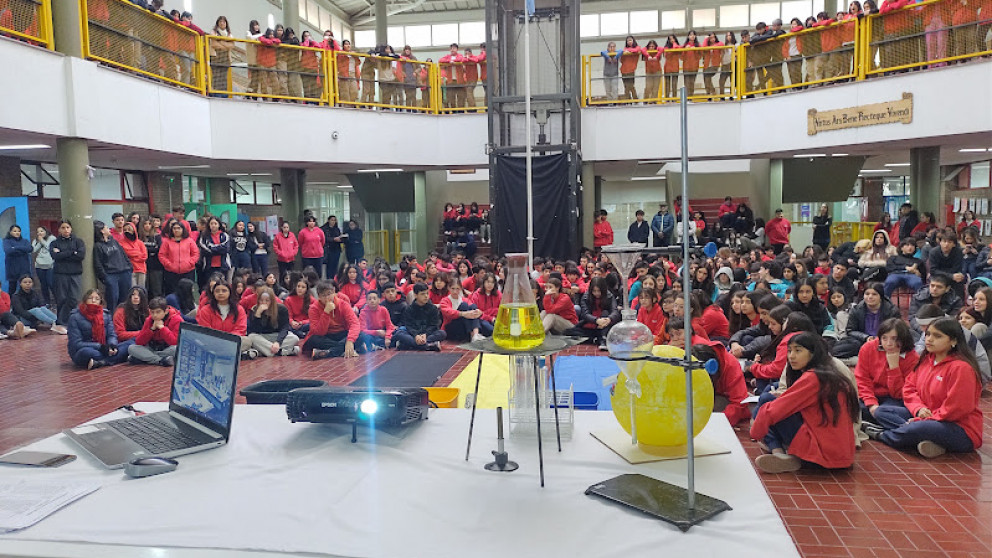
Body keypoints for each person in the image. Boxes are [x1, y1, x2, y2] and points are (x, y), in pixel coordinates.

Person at [871, 317, 983, 458]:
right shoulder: (926, 360)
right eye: (928, 334)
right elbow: (909, 388)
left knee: (920, 427)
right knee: (882, 411)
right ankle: (928, 441)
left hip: (958, 427)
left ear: (953, 341)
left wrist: (924, 420)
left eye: (937, 336)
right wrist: (918, 410)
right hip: (927, 417)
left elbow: (957, 408)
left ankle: (882, 435)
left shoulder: (962, 368)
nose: (929, 339)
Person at [750, 332, 858, 473]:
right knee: (771, 403)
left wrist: (755, 432)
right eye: (789, 351)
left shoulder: (813, 377)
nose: (791, 356)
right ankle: (781, 453)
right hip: (841, 455)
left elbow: (773, 411)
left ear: (813, 353)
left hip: (822, 455)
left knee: (767, 404)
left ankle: (778, 451)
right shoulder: (829, 373)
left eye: (798, 350)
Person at [855, 318, 918, 425]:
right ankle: (887, 425)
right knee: (849, 406)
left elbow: (900, 394)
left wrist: (894, 367)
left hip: (894, 399)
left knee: (883, 412)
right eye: (884, 338)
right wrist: (871, 404)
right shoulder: (868, 348)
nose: (889, 343)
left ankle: (904, 429)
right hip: (870, 395)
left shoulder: (912, 357)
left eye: (894, 339)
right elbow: (862, 379)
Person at [832, 282, 902, 359]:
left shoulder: (891, 310)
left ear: (881, 297)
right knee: (836, 350)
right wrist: (866, 337)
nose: (870, 297)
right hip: (862, 341)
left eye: (874, 294)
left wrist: (880, 339)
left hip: (884, 342)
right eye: (867, 294)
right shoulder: (857, 309)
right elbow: (850, 330)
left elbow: (896, 331)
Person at [692, 340, 750, 426]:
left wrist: (716, 423)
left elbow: (740, 403)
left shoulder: (731, 366)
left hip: (722, 399)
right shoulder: (690, 361)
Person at [302, 281, 365, 359]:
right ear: (319, 297)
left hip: (341, 334)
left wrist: (350, 341)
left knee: (361, 335)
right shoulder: (313, 308)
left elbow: (354, 323)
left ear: (334, 292)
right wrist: (326, 313)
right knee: (313, 340)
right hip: (325, 335)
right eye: (323, 296)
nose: (327, 298)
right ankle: (344, 350)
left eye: (329, 294)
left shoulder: (343, 304)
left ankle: (329, 352)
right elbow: (318, 332)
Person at [67, 289, 127, 369]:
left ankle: (100, 362)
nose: (93, 300)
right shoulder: (75, 317)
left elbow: (112, 334)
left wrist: (112, 345)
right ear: (85, 300)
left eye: (97, 298)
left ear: (100, 301)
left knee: (130, 344)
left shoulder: (106, 315)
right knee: (86, 353)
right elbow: (76, 343)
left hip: (106, 348)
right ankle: (116, 358)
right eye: (90, 298)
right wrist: (100, 347)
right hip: (85, 349)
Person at [196, 279, 254, 359]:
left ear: (230, 292)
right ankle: (233, 354)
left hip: (231, 341)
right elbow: (206, 330)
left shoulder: (239, 309)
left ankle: (219, 354)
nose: (220, 293)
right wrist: (219, 340)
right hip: (212, 342)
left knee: (246, 341)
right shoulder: (205, 310)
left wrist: (227, 339)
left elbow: (241, 329)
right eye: (217, 291)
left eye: (224, 291)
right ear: (213, 293)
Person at [568, 277, 620, 349]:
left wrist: (609, 319)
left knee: (605, 312)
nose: (596, 293)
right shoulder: (586, 297)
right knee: (570, 333)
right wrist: (597, 321)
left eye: (599, 291)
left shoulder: (609, 296)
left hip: (606, 324)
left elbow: (615, 311)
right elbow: (585, 314)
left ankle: (602, 339)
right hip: (591, 323)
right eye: (594, 291)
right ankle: (596, 339)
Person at [127, 297, 182, 366]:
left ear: (166, 311)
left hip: (167, 349)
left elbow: (175, 342)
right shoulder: (149, 320)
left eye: (158, 312)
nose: (155, 315)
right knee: (131, 348)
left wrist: (163, 329)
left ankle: (145, 358)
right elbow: (139, 342)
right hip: (152, 348)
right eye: (152, 312)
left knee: (177, 349)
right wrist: (151, 329)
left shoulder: (177, 319)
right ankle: (161, 360)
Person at [247, 286, 300, 357]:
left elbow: (285, 328)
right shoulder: (254, 310)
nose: (264, 303)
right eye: (261, 300)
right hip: (263, 337)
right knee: (251, 337)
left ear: (272, 301)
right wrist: (258, 315)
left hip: (277, 336)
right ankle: (282, 352)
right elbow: (254, 331)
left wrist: (278, 342)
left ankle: (265, 352)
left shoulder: (282, 309)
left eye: (267, 300)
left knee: (294, 338)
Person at [92, 221, 133, 312]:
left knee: (125, 298)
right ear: (102, 231)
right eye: (106, 227)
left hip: (124, 272)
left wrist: (129, 267)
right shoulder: (98, 246)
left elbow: (123, 254)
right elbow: (98, 263)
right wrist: (105, 277)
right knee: (113, 298)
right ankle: (112, 319)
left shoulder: (114, 241)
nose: (109, 229)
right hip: (111, 274)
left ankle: (122, 317)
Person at [395, 283, 446, 351]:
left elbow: (434, 325)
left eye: (427, 293)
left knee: (442, 333)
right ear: (415, 295)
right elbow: (409, 326)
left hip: (428, 334)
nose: (426, 296)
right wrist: (416, 335)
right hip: (414, 334)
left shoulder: (433, 308)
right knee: (399, 333)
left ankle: (409, 345)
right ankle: (428, 346)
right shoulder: (409, 309)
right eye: (422, 294)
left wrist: (425, 335)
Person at [159, 219, 199, 296]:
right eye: (174, 228)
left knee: (187, 293)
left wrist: (190, 263)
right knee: (172, 293)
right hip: (171, 272)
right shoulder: (167, 242)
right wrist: (169, 264)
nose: (176, 230)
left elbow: (195, 253)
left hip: (188, 271)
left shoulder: (189, 241)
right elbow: (162, 255)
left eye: (178, 228)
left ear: (183, 229)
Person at [197, 216, 230, 288]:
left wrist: (212, 248)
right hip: (209, 267)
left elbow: (225, 249)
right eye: (211, 223)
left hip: (223, 266)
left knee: (222, 285)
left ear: (219, 225)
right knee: (209, 286)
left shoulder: (225, 235)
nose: (213, 225)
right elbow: (204, 250)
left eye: (215, 223)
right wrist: (218, 249)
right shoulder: (204, 236)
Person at [118, 222, 148, 289]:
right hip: (130, 270)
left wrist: (133, 257)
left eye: (129, 229)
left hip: (141, 269)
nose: (127, 231)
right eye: (125, 230)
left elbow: (144, 256)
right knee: (133, 290)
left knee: (141, 290)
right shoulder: (121, 243)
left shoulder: (140, 243)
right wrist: (137, 254)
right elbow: (125, 254)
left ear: (133, 230)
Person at [139, 219, 163, 298]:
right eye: (145, 223)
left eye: (149, 224)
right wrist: (151, 250)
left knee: (156, 288)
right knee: (144, 288)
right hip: (143, 265)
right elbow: (138, 250)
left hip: (156, 266)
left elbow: (159, 249)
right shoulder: (139, 237)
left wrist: (145, 249)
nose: (147, 225)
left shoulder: (157, 236)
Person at [3, 225, 31, 293]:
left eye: (19, 231)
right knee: (12, 288)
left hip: (24, 268)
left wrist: (15, 248)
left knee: (25, 288)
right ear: (10, 232)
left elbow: (30, 249)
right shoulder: (7, 241)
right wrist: (22, 249)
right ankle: (11, 303)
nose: (17, 233)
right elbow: (8, 250)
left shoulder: (25, 241)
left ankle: (25, 303)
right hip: (12, 268)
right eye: (15, 231)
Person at [31, 227, 55, 306]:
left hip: (50, 265)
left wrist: (42, 240)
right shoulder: (36, 240)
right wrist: (37, 241)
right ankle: (47, 302)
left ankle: (56, 300)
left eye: (41, 231)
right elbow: (33, 250)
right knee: (43, 285)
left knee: (51, 283)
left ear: (46, 231)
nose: (40, 233)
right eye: (38, 232)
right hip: (39, 265)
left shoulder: (52, 238)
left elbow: (49, 247)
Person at [321, 215, 343, 280]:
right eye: (332, 220)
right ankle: (329, 279)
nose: (333, 222)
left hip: (336, 249)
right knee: (329, 266)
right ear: (328, 220)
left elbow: (339, 236)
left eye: (334, 220)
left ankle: (335, 279)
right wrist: (333, 239)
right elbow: (324, 239)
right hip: (328, 249)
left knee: (335, 266)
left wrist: (341, 239)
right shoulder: (324, 229)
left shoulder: (337, 229)